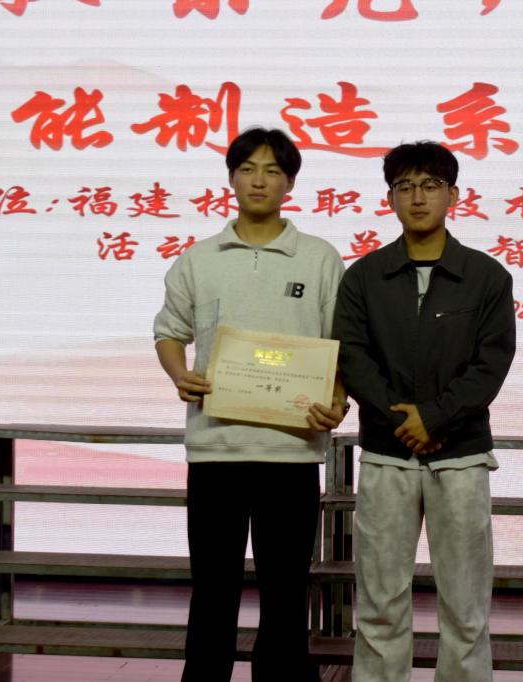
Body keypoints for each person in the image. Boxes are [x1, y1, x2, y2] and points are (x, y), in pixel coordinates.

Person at [153, 127, 347, 682]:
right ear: (231, 178)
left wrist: (337, 398)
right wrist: (180, 374)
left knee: (286, 592)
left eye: (272, 171)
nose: (259, 180)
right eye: (247, 169)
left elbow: (340, 344)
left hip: (291, 451)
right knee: (213, 589)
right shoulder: (199, 259)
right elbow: (169, 332)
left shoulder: (319, 258)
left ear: (290, 183)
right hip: (215, 449)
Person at [333, 141, 516, 681]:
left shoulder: (486, 277)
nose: (418, 197)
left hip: (459, 456)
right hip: (387, 454)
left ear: (454, 195)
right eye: (405, 186)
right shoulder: (364, 276)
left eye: (431, 185)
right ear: (389, 198)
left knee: (465, 603)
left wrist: (434, 418)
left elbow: (490, 364)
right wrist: (405, 421)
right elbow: (352, 356)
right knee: (380, 600)